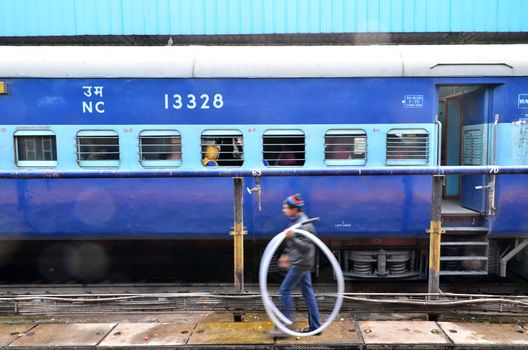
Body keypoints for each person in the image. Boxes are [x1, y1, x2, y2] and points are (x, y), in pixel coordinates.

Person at [269, 193, 322, 337]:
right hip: (300, 261)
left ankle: (287, 326)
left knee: (284, 290)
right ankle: (316, 327)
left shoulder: (304, 225)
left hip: (301, 264)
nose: (283, 210)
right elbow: (293, 243)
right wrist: (286, 254)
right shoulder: (295, 220)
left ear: (294, 209)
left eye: (285, 208)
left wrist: (291, 237)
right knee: (308, 294)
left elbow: (305, 247)